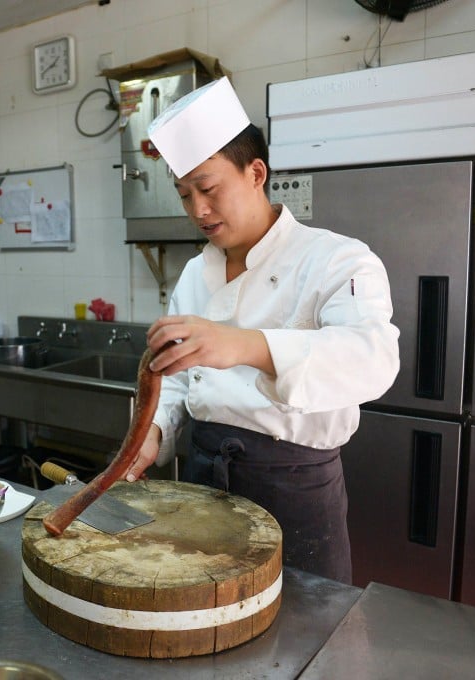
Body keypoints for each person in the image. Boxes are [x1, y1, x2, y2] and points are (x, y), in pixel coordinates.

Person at [123, 77, 400, 583]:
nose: (197, 211)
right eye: (185, 196)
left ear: (256, 173)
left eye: (208, 189)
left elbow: (373, 356)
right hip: (204, 481)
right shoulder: (194, 273)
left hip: (295, 490)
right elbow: (179, 379)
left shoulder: (336, 258)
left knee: (306, 639)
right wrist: (151, 430)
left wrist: (247, 345)